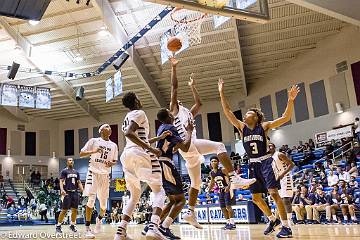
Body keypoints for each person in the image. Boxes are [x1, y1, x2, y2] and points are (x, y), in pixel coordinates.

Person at [168, 57, 255, 228]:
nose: (177, 101)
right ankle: (234, 177)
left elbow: (199, 103)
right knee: (219, 146)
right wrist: (174, 68)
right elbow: (174, 88)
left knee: (196, 183)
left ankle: (190, 212)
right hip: (189, 143)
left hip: (188, 152)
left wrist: (193, 87)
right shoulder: (175, 111)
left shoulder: (187, 112)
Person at [218, 78, 300, 238]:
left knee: (274, 193)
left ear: (255, 117)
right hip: (252, 165)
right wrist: (221, 92)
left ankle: (286, 227)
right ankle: (272, 219)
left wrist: (290, 100)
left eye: (249, 112)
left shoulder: (263, 126)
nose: (245, 114)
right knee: (255, 198)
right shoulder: (242, 128)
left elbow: (285, 118)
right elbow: (227, 111)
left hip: (266, 162)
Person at [114, 92, 167, 240]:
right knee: (159, 191)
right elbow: (129, 133)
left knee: (134, 196)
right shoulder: (139, 113)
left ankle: (121, 231)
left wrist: (158, 138)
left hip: (127, 156)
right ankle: (153, 227)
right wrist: (152, 149)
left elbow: (139, 138)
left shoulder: (127, 116)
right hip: (140, 154)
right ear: (136, 100)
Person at [142, 108, 194, 239]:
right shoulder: (171, 127)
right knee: (181, 200)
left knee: (172, 201)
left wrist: (172, 147)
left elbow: (168, 143)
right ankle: (164, 227)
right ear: (170, 116)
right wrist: (189, 131)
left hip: (159, 163)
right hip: (166, 164)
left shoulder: (162, 128)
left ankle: (151, 225)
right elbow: (186, 147)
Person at [80, 124, 119, 238]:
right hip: (93, 172)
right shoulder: (93, 141)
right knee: (91, 199)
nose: (109, 128)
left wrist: (112, 163)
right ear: (101, 130)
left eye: (110, 127)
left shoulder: (114, 145)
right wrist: (94, 151)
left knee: (103, 205)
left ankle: (99, 219)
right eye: (106, 126)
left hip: (105, 175)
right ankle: (87, 228)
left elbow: (114, 160)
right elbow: (81, 154)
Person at [269, 143, 295, 226]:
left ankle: (290, 220)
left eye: (271, 146)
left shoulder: (279, 154)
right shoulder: (269, 158)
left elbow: (291, 165)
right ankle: (282, 220)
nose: (269, 147)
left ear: (274, 147)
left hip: (285, 177)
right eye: (268, 146)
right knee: (279, 200)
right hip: (277, 179)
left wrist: (283, 174)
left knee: (286, 199)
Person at [56, 158, 84, 234]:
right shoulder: (64, 171)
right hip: (67, 192)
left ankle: (72, 225)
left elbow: (79, 182)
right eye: (69, 160)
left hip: (75, 193)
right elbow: (61, 181)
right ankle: (58, 226)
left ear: (73, 162)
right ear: (67, 162)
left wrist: (83, 191)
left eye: (72, 160)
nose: (71, 161)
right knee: (64, 210)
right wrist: (62, 190)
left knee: (75, 210)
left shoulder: (76, 172)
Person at [208, 156, 236, 230]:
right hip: (220, 191)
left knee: (228, 207)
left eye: (215, 161)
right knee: (223, 208)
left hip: (227, 189)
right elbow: (212, 182)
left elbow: (231, 178)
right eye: (212, 161)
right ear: (210, 163)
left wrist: (228, 187)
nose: (214, 162)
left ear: (218, 162)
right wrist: (208, 190)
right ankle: (228, 223)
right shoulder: (211, 173)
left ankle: (232, 223)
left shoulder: (223, 170)